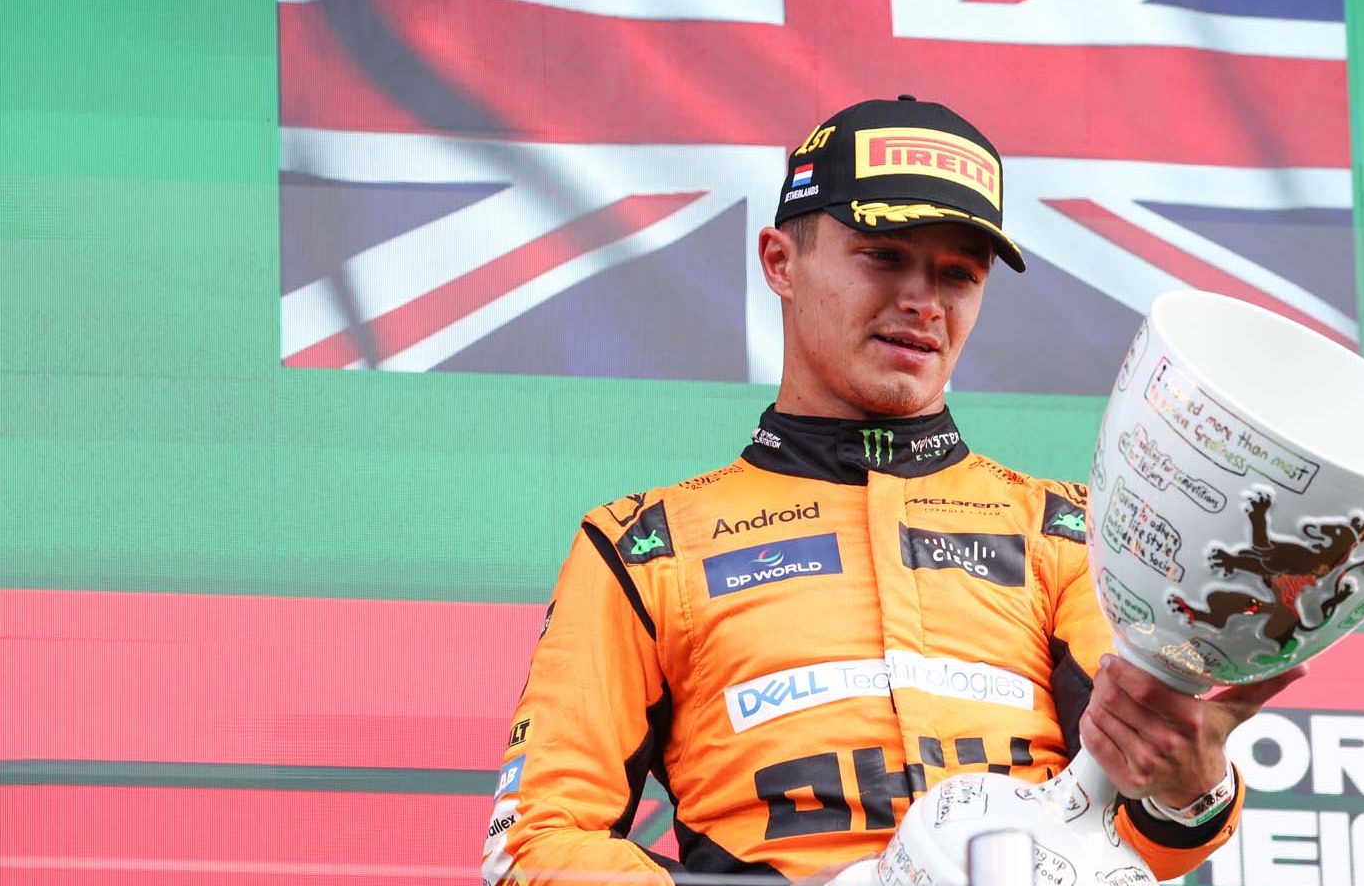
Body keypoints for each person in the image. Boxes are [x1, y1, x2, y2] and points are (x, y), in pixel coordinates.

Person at [481, 96, 1303, 886]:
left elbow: (1138, 839)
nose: (923, 302)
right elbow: (538, 846)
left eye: (958, 274)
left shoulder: (1071, 532)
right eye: (884, 257)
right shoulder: (644, 545)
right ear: (781, 261)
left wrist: (1190, 790)